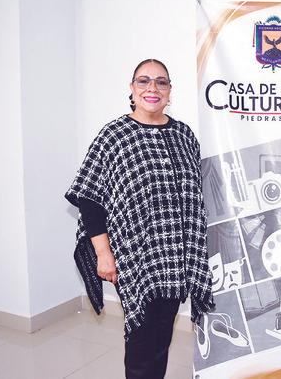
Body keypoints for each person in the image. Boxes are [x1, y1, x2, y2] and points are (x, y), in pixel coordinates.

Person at [65, 59, 214, 379]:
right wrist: (104, 254)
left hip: (175, 259)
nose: (152, 88)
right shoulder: (114, 136)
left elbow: (194, 195)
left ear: (170, 91)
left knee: (161, 337)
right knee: (142, 340)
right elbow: (89, 198)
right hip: (135, 258)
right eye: (144, 81)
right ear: (132, 89)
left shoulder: (184, 135)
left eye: (161, 82)